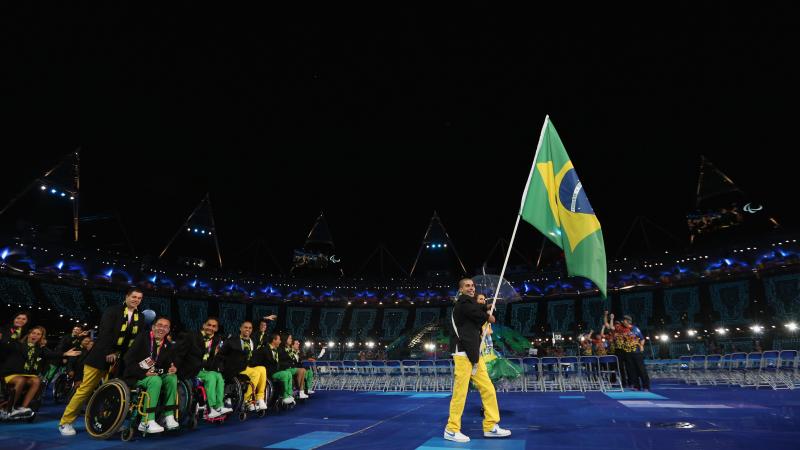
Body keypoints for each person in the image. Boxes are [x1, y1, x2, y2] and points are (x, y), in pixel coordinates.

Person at [59, 287, 144, 436]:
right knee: (85, 390)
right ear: (127, 296)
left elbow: (136, 340)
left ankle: (110, 422)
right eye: (134, 297)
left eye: (139, 298)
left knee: (114, 394)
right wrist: (109, 351)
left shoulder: (141, 317)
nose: (136, 300)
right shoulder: (112, 311)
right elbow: (105, 333)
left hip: (119, 361)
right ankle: (65, 422)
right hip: (100, 356)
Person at [444, 278, 510, 443]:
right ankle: (451, 429)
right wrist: (488, 315)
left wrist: (486, 307)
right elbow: (477, 313)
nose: (471, 287)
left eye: (473, 285)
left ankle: (490, 426)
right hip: (462, 355)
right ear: (460, 290)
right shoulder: (462, 303)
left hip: (474, 355)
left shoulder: (469, 303)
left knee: (488, 388)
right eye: (467, 285)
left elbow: (476, 308)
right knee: (460, 393)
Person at [1, 326, 81, 416]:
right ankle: (9, 408)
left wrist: (65, 353)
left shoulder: (40, 349)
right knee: (21, 379)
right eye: (33, 333)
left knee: (37, 380)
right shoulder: (18, 345)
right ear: (29, 334)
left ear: (41, 337)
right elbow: (7, 344)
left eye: (38, 334)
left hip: (26, 375)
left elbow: (52, 354)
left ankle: (23, 408)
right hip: (11, 373)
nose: (35, 335)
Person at [123, 317, 179, 433]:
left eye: (165, 326)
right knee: (155, 380)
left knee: (172, 378)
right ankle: (146, 421)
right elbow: (128, 359)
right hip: (136, 375)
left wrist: (171, 368)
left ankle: (169, 416)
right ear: (153, 327)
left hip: (154, 374)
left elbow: (166, 364)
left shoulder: (168, 345)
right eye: (159, 325)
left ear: (168, 330)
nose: (162, 328)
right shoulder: (142, 338)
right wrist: (144, 372)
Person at [175, 316, 232, 418]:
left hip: (205, 369)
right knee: (211, 376)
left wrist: (216, 356)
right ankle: (211, 408)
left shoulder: (216, 340)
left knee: (218, 376)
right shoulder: (191, 336)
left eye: (214, 326)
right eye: (209, 325)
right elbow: (180, 353)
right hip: (190, 369)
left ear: (217, 329)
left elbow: (212, 360)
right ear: (204, 325)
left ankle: (219, 406)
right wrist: (175, 367)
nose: (211, 328)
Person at [220, 321, 268, 411]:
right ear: (240, 328)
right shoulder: (232, 340)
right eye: (245, 327)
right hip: (235, 367)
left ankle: (260, 398)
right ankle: (246, 399)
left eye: (250, 328)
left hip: (246, 367)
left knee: (262, 369)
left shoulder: (252, 341)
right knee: (255, 373)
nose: (248, 329)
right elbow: (222, 354)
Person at [255, 332, 296, 405]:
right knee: (285, 374)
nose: (280, 341)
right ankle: (285, 396)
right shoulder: (264, 349)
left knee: (288, 373)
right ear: (274, 340)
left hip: (275, 371)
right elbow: (261, 362)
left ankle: (289, 395)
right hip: (268, 373)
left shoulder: (277, 350)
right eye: (279, 340)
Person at [279, 334, 308, 399]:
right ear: (285, 339)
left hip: (291, 367)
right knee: (301, 370)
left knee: (303, 370)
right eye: (289, 338)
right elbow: (283, 360)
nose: (291, 340)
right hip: (285, 368)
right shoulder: (282, 349)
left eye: (291, 338)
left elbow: (293, 360)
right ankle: (298, 389)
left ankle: (301, 391)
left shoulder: (289, 349)